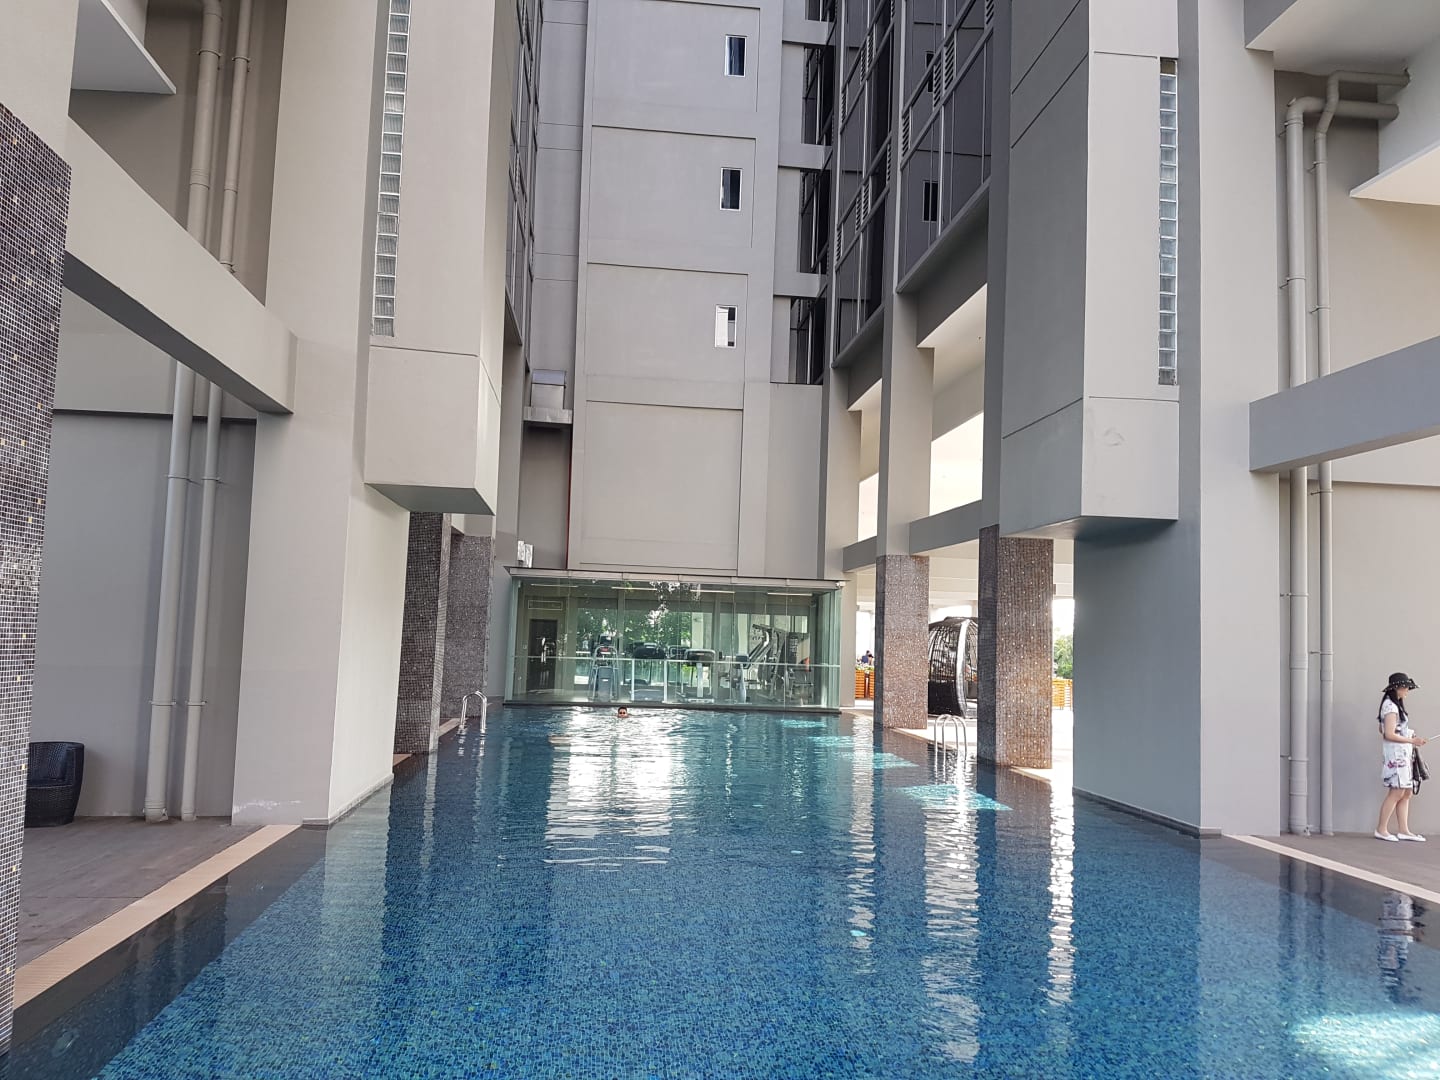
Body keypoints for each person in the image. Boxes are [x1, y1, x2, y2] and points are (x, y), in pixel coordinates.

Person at [1376, 672, 1427, 842]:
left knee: (1406, 792)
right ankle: (1381, 829)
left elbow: (1383, 729)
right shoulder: (1391, 707)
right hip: (1396, 757)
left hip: (1402, 755)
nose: (1407, 691)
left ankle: (1404, 830)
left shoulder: (1393, 706)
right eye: (1406, 687)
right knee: (1396, 792)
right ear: (1397, 688)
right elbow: (1388, 734)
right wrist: (1411, 740)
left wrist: (1409, 737)